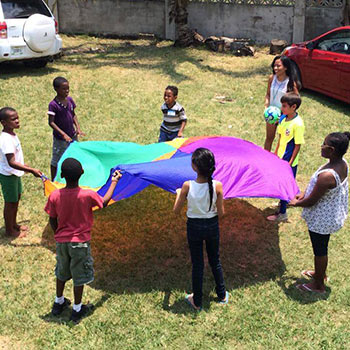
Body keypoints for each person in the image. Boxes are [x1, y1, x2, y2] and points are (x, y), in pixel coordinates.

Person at [45, 158, 122, 323]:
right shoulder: (87, 195)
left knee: (62, 271)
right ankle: (77, 309)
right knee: (79, 274)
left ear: (62, 175)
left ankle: (58, 302)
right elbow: (104, 202)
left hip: (62, 242)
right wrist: (114, 182)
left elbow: (52, 218)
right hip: (79, 243)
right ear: (82, 173)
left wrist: (58, 233)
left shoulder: (55, 195)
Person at [289, 132, 349, 294]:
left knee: (320, 250)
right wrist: (303, 193)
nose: (321, 146)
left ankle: (318, 285)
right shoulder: (341, 163)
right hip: (329, 213)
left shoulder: (327, 176)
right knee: (321, 247)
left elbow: (311, 201)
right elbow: (315, 191)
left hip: (322, 219)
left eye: (323, 144)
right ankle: (319, 273)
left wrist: (295, 202)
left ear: (331, 149)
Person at [173, 148, 228, 310]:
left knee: (197, 264)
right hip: (212, 226)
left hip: (194, 227)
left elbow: (176, 211)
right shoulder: (217, 186)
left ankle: (197, 301)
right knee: (215, 261)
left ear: (194, 167)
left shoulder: (186, 186)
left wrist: (178, 194)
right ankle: (222, 294)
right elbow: (222, 213)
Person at [0, 107, 42, 238]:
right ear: (4, 123)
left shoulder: (12, 134)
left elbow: (15, 158)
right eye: (13, 119)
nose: (17, 121)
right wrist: (30, 170)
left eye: (17, 118)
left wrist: (23, 166)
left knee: (16, 199)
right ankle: (9, 230)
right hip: (9, 175)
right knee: (10, 202)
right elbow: (11, 162)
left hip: (15, 173)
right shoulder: (5, 139)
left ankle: (13, 224)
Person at [267, 93, 305, 222]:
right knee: (280, 182)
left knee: (284, 185)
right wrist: (275, 153)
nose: (281, 108)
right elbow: (281, 138)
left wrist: (290, 162)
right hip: (280, 158)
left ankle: (282, 214)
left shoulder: (298, 124)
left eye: (284, 106)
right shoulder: (283, 118)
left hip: (289, 162)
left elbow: (297, 145)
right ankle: (282, 203)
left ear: (293, 107)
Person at [48, 77, 85, 181]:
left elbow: (73, 115)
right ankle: (54, 180)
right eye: (64, 89)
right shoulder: (53, 105)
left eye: (68, 88)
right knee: (57, 159)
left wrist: (77, 128)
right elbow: (51, 122)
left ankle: (74, 178)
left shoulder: (70, 100)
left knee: (74, 155)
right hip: (60, 139)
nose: (67, 91)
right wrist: (63, 134)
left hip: (72, 135)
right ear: (56, 89)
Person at [264, 56, 299, 152]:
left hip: (284, 116)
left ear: (286, 67)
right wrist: (266, 107)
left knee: (282, 141)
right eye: (274, 66)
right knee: (269, 138)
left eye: (278, 66)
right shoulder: (272, 78)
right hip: (272, 114)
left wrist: (286, 114)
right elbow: (268, 95)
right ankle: (265, 156)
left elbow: (297, 100)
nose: (275, 68)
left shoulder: (290, 83)